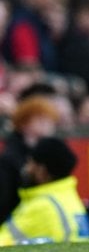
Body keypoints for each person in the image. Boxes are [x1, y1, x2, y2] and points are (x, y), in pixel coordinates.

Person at [0, 137, 89, 246]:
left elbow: (3, 243)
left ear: (42, 171)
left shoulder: (42, 206)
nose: (26, 168)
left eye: (30, 163)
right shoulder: (68, 199)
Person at [0, 95, 59, 223]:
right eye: (41, 120)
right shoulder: (10, 158)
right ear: (23, 123)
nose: (47, 126)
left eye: (50, 121)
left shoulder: (46, 152)